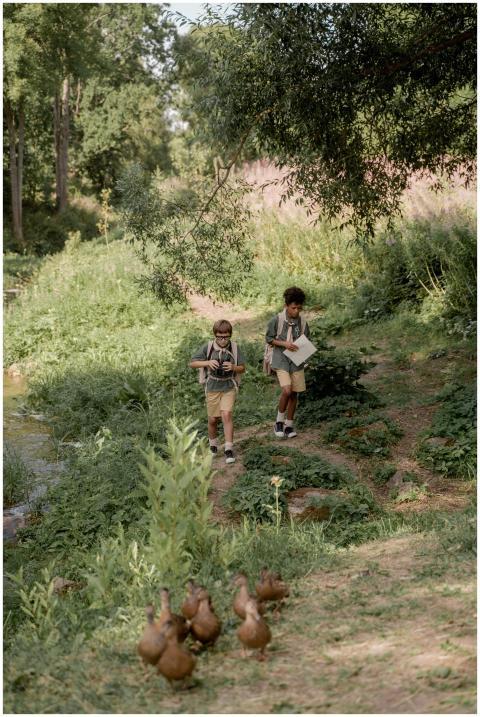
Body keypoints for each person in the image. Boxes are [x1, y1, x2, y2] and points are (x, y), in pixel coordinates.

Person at [190, 319, 246, 464]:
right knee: (213, 419)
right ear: (215, 335)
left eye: (226, 337)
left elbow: (242, 368)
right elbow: (193, 363)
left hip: (228, 386)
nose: (222, 340)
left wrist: (233, 367)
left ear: (230, 335)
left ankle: (228, 448)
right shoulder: (208, 347)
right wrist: (208, 362)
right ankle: (213, 445)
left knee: (226, 415)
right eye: (219, 337)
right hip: (212, 387)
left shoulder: (234, 347)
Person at [265, 286, 310, 439]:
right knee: (287, 390)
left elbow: (306, 340)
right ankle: (279, 421)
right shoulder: (276, 320)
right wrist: (285, 344)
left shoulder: (303, 322)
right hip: (280, 358)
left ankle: (289, 425)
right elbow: (269, 338)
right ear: (286, 306)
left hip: (296, 360)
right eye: (293, 308)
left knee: (295, 394)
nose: (296, 311)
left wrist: (304, 355)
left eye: (299, 308)